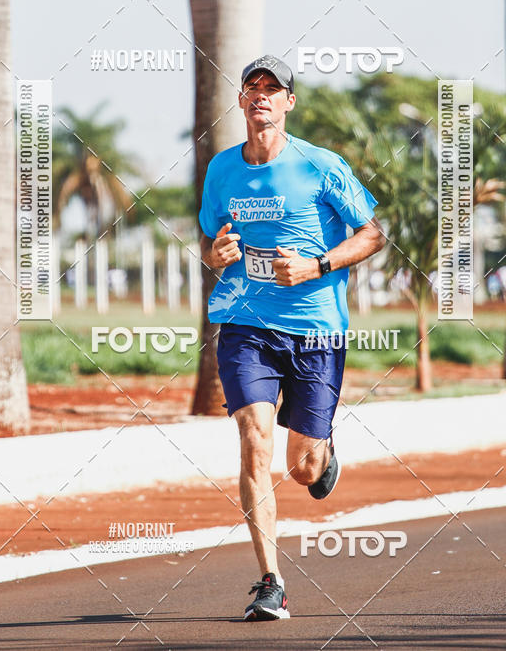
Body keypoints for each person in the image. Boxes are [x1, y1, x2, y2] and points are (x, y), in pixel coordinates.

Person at [198, 55, 385, 621]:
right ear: (240, 102)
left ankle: (321, 456)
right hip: (243, 322)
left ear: (288, 102)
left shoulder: (321, 166)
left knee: (301, 467)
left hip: (315, 328)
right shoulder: (222, 170)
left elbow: (373, 235)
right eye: (251, 88)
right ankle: (270, 581)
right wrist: (215, 255)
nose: (261, 97)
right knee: (254, 437)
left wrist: (317, 264)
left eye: (272, 89)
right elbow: (212, 240)